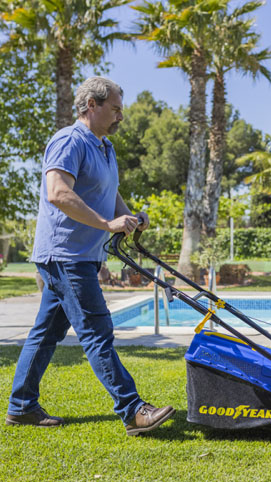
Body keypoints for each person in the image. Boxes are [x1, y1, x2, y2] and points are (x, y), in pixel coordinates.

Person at [6, 77, 175, 436]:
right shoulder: (69, 141)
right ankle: (132, 410)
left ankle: (21, 406)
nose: (120, 117)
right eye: (115, 109)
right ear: (92, 106)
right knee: (98, 331)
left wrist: (130, 219)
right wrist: (105, 224)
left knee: (46, 333)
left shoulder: (105, 147)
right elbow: (57, 192)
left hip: (81, 254)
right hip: (64, 254)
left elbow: (110, 194)